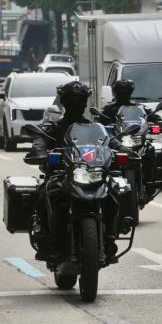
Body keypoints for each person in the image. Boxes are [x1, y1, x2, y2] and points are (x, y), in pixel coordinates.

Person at [23, 81, 119, 263]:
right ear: (65, 102)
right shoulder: (54, 127)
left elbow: (110, 142)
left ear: (85, 102)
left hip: (92, 174)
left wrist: (122, 150)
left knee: (115, 192)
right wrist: (40, 151)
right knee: (45, 194)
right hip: (62, 175)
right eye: (72, 100)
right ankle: (46, 241)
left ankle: (109, 239)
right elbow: (40, 140)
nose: (77, 103)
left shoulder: (95, 129)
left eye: (80, 99)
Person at [95, 79, 161, 125]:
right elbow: (98, 125)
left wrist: (156, 126)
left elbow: (158, 121)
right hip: (116, 138)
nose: (123, 96)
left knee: (156, 145)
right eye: (120, 93)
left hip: (139, 137)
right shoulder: (108, 109)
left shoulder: (140, 108)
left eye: (125, 93)